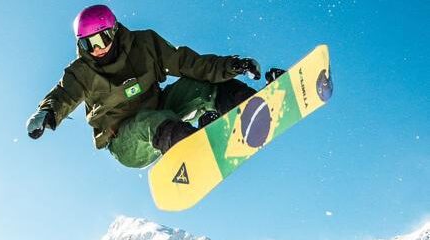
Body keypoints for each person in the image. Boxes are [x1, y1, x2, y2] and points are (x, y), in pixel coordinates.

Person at [26, 4, 283, 168]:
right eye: (88, 44)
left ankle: (252, 105)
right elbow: (64, 94)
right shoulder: (81, 72)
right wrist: (46, 112)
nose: (97, 49)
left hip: (163, 111)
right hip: (126, 140)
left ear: (113, 30)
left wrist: (233, 66)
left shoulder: (145, 44)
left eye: (101, 39)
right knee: (149, 121)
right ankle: (194, 148)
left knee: (199, 85)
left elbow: (188, 63)